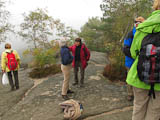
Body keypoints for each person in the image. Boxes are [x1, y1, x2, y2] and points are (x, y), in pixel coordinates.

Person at [126, 0, 160, 119]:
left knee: (138, 108)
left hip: (139, 77)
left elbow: (134, 53)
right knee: (155, 112)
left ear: (156, 7)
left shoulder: (143, 27)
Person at [123, 17, 145, 101]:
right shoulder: (130, 33)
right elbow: (125, 49)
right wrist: (135, 56)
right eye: (136, 22)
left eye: (139, 22)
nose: (137, 24)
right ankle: (130, 94)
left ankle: (137, 95)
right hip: (130, 61)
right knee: (130, 78)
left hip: (140, 61)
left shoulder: (145, 32)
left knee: (139, 78)